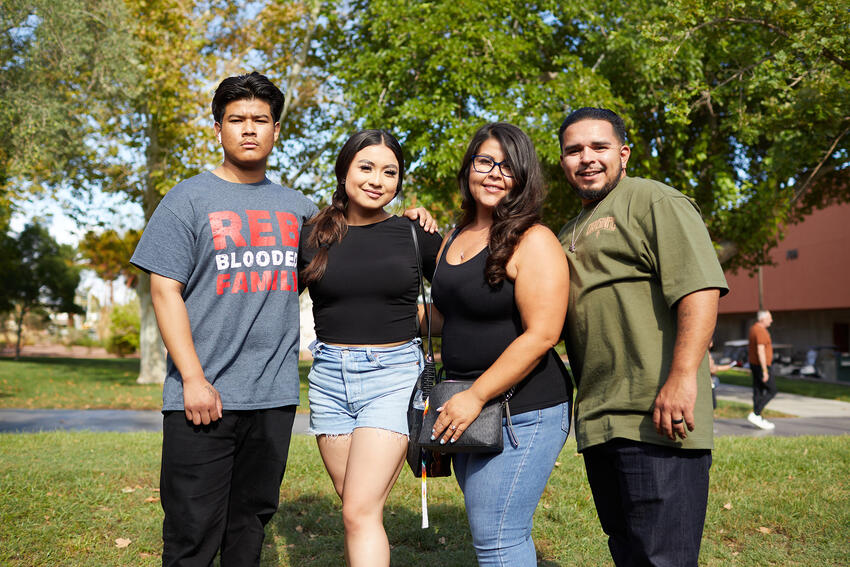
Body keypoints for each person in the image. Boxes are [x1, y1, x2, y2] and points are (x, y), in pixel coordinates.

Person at [131, 72, 318, 566]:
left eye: (260, 120)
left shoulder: (300, 209)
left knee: (249, 528)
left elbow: (353, 243)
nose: (249, 129)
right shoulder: (186, 200)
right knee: (192, 534)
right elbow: (163, 290)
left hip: (273, 397)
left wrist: (414, 218)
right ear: (218, 129)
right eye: (237, 120)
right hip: (202, 395)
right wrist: (193, 378)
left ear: (276, 129)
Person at [556, 107, 728, 567]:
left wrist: (682, 376)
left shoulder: (653, 200)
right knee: (630, 553)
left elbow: (700, 288)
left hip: (658, 416)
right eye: (574, 150)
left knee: (663, 558)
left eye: (599, 147)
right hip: (599, 421)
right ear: (563, 162)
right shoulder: (567, 232)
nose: (587, 158)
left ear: (624, 154)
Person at [428, 122, 572, 566]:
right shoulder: (453, 236)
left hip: (521, 410)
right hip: (466, 408)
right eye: (485, 161)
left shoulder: (535, 240)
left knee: (498, 536)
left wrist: (476, 396)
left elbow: (543, 334)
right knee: (488, 529)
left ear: (523, 177)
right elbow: (446, 315)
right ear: (469, 166)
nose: (493, 173)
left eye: (507, 167)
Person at [297, 129, 443, 567]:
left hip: (393, 376)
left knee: (358, 510)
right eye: (366, 167)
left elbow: (461, 298)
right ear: (344, 172)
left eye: (390, 171)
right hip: (327, 379)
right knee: (357, 508)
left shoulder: (415, 234)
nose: (377, 179)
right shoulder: (312, 236)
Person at [748, 310, 777, 430]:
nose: (771, 320)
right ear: (762, 319)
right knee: (772, 390)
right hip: (761, 365)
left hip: (755, 364)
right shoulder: (760, 331)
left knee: (758, 390)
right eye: (769, 318)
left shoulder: (753, 328)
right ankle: (755, 413)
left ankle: (757, 417)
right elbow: (760, 350)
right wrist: (765, 370)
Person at [708, 340, 735, 409]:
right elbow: (712, 369)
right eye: (710, 339)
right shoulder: (706, 354)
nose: (712, 342)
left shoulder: (708, 353)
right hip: (708, 384)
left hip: (710, 383)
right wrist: (728, 366)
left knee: (712, 405)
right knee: (712, 405)